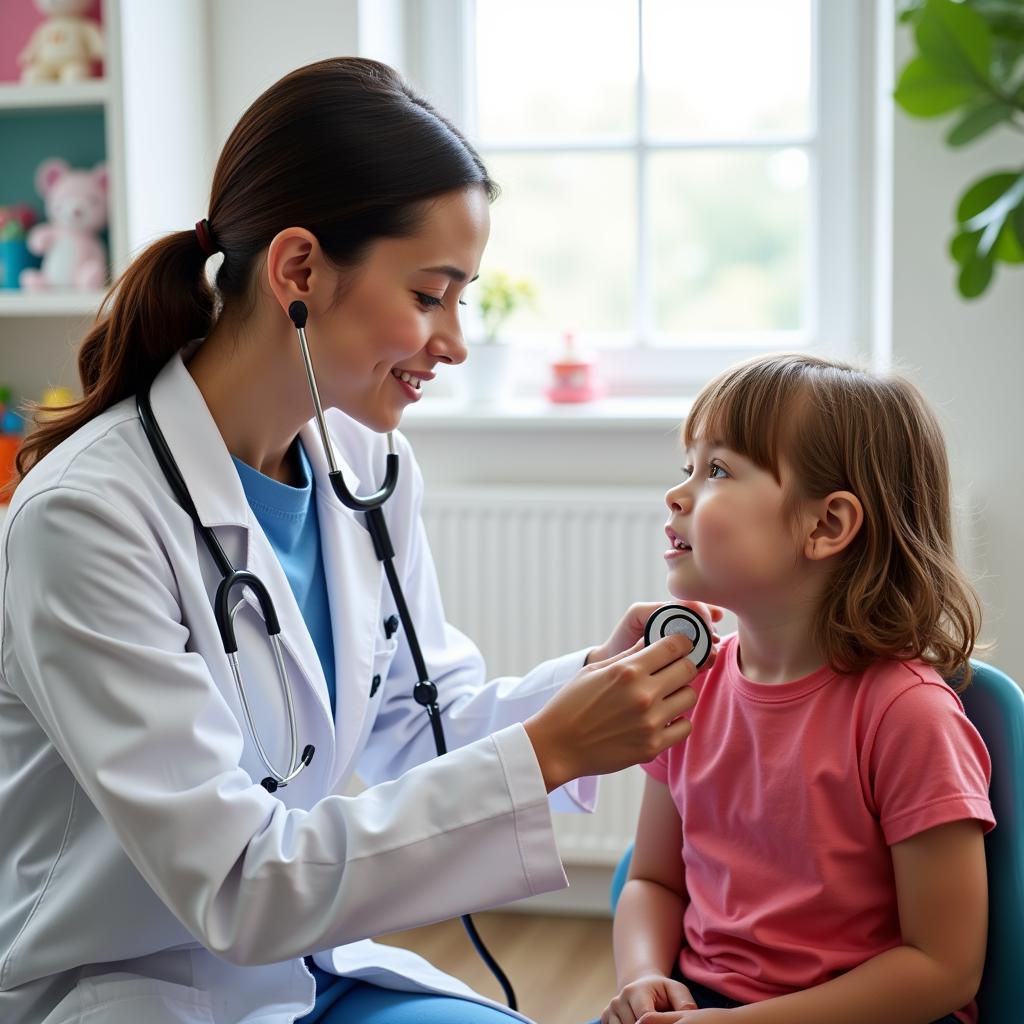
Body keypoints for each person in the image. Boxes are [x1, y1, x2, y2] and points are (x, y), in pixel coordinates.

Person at [0, 58, 717, 1024]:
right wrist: (548, 751)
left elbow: (419, 721)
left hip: (308, 964)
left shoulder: (367, 471)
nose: (456, 340)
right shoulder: (85, 518)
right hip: (135, 987)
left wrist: (589, 685)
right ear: (299, 271)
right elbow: (236, 882)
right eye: (431, 295)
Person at [600, 354, 994, 1024]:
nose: (678, 494)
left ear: (826, 526)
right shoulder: (687, 687)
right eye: (686, 468)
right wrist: (643, 978)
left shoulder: (908, 718)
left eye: (718, 470)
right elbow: (652, 879)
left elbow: (943, 968)